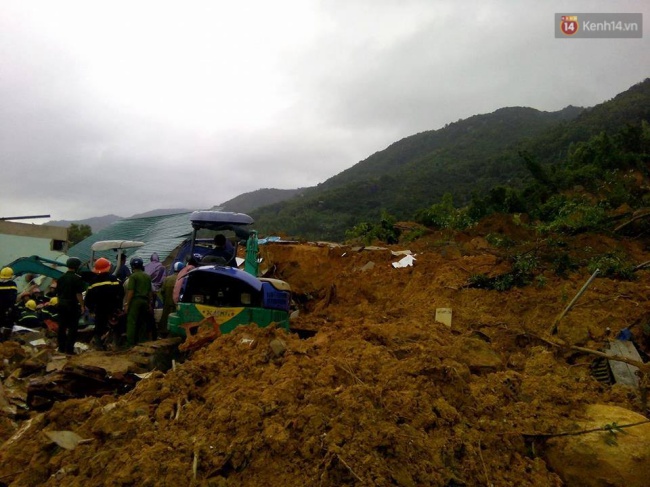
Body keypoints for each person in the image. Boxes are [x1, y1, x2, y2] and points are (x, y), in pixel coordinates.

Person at [85, 257, 125, 350]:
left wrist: (92, 309)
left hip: (99, 309)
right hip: (113, 309)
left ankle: (99, 346)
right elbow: (121, 293)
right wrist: (119, 306)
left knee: (99, 328)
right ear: (108, 268)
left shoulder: (93, 283)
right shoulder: (114, 280)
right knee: (116, 327)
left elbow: (88, 299)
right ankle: (116, 345)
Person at [56, 257, 86, 354]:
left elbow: (58, 293)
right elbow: (78, 294)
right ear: (76, 266)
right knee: (73, 328)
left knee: (62, 327)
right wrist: (82, 305)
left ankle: (61, 348)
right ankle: (69, 349)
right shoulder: (77, 279)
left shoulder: (61, 278)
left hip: (61, 304)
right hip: (72, 305)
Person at [125, 257, 153, 347]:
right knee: (143, 322)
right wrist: (149, 303)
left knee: (132, 322)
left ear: (132, 266)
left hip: (135, 301)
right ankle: (142, 342)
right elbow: (150, 292)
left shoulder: (133, 276)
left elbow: (131, 291)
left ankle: (130, 344)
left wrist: (127, 303)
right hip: (145, 301)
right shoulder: (147, 276)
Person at [159, 261, 184, 336]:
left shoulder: (167, 279)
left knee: (165, 318)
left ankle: (163, 332)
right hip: (177, 304)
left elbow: (162, 291)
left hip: (167, 303)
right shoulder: (183, 279)